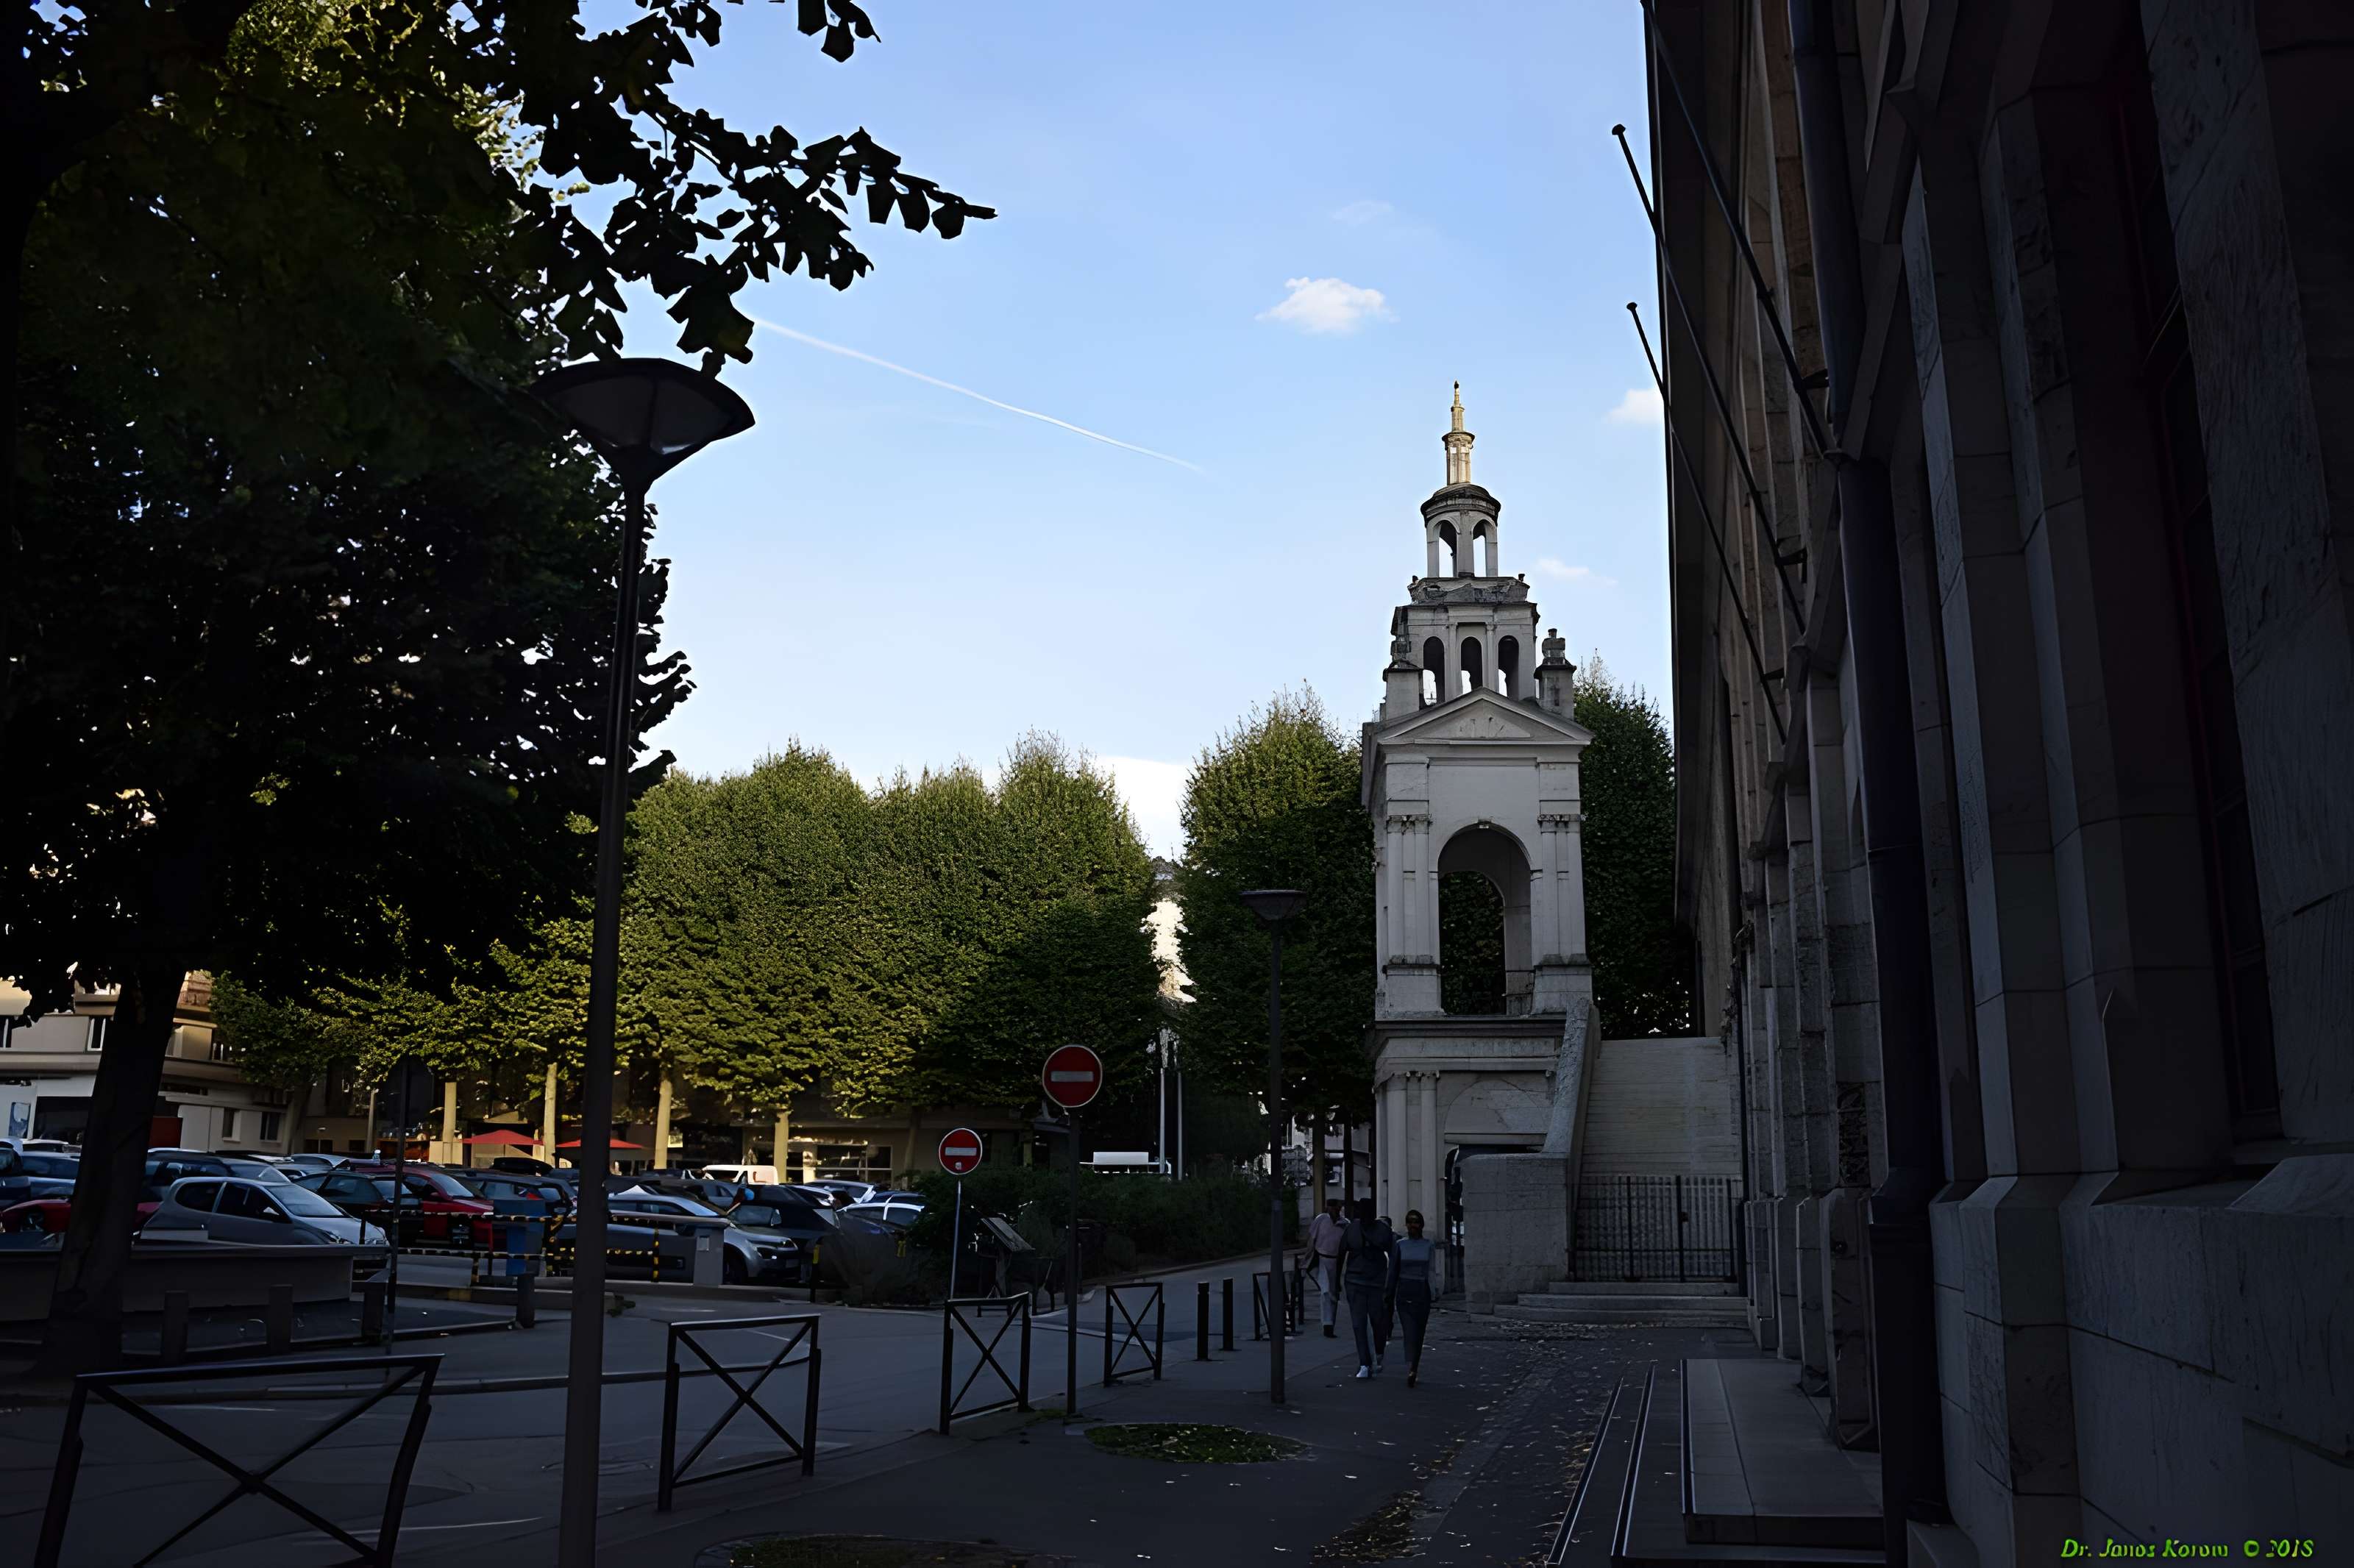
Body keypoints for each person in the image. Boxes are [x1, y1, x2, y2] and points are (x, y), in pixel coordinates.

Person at [1340, 1198, 1395, 1379]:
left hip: (1377, 1283)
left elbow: (1394, 1254)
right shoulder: (1352, 1229)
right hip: (1355, 1282)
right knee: (1358, 1324)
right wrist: (1335, 1282)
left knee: (1378, 1323)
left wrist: (1391, 1283)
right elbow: (1341, 1253)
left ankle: (1379, 1352)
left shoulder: (1383, 1230)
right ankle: (1364, 1363)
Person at [1393, 1209, 1440, 1387]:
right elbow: (1394, 1271)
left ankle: (1415, 1367)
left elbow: (1431, 1270)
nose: (1413, 1225)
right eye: (1410, 1222)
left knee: (1419, 1333)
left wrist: (1433, 1292)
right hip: (1404, 1292)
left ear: (1421, 1225)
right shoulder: (1400, 1245)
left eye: (1416, 1222)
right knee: (1409, 1332)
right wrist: (1390, 1291)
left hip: (1422, 1292)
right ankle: (1410, 1366)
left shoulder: (1428, 1245)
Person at [1306, 1197, 1348, 1337]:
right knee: (1326, 1292)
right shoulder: (1321, 1220)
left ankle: (1331, 1323)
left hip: (1337, 1262)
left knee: (1334, 1293)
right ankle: (1327, 1324)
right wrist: (1307, 1258)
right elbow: (1312, 1240)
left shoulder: (1344, 1224)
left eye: (1336, 1207)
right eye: (1331, 1207)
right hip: (1322, 1259)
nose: (1334, 1210)